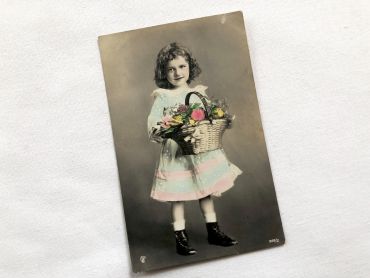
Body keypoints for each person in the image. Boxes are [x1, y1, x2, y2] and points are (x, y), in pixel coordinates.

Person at [147, 42, 242, 256]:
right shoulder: (163, 97)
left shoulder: (198, 94)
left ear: (190, 67)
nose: (177, 72)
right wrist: (162, 126)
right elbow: (153, 121)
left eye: (181, 66)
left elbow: (209, 115)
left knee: (205, 189)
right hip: (176, 152)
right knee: (177, 195)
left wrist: (220, 118)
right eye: (171, 69)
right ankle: (180, 237)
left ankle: (214, 231)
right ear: (164, 72)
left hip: (199, 150)